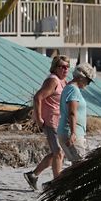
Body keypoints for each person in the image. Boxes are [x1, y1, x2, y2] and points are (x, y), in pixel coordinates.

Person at [24, 55, 68, 190]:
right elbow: (38, 97)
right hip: (50, 121)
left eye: (67, 67)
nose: (66, 69)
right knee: (59, 153)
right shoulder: (52, 80)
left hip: (59, 122)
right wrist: (38, 118)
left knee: (59, 152)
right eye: (62, 66)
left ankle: (33, 174)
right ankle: (57, 184)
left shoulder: (62, 81)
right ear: (55, 67)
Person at [57, 63, 96, 167]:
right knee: (80, 166)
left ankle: (55, 183)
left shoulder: (68, 88)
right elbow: (72, 112)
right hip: (72, 132)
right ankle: (55, 183)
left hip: (66, 131)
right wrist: (73, 133)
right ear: (82, 77)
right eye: (88, 81)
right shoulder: (73, 90)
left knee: (76, 166)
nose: (88, 84)